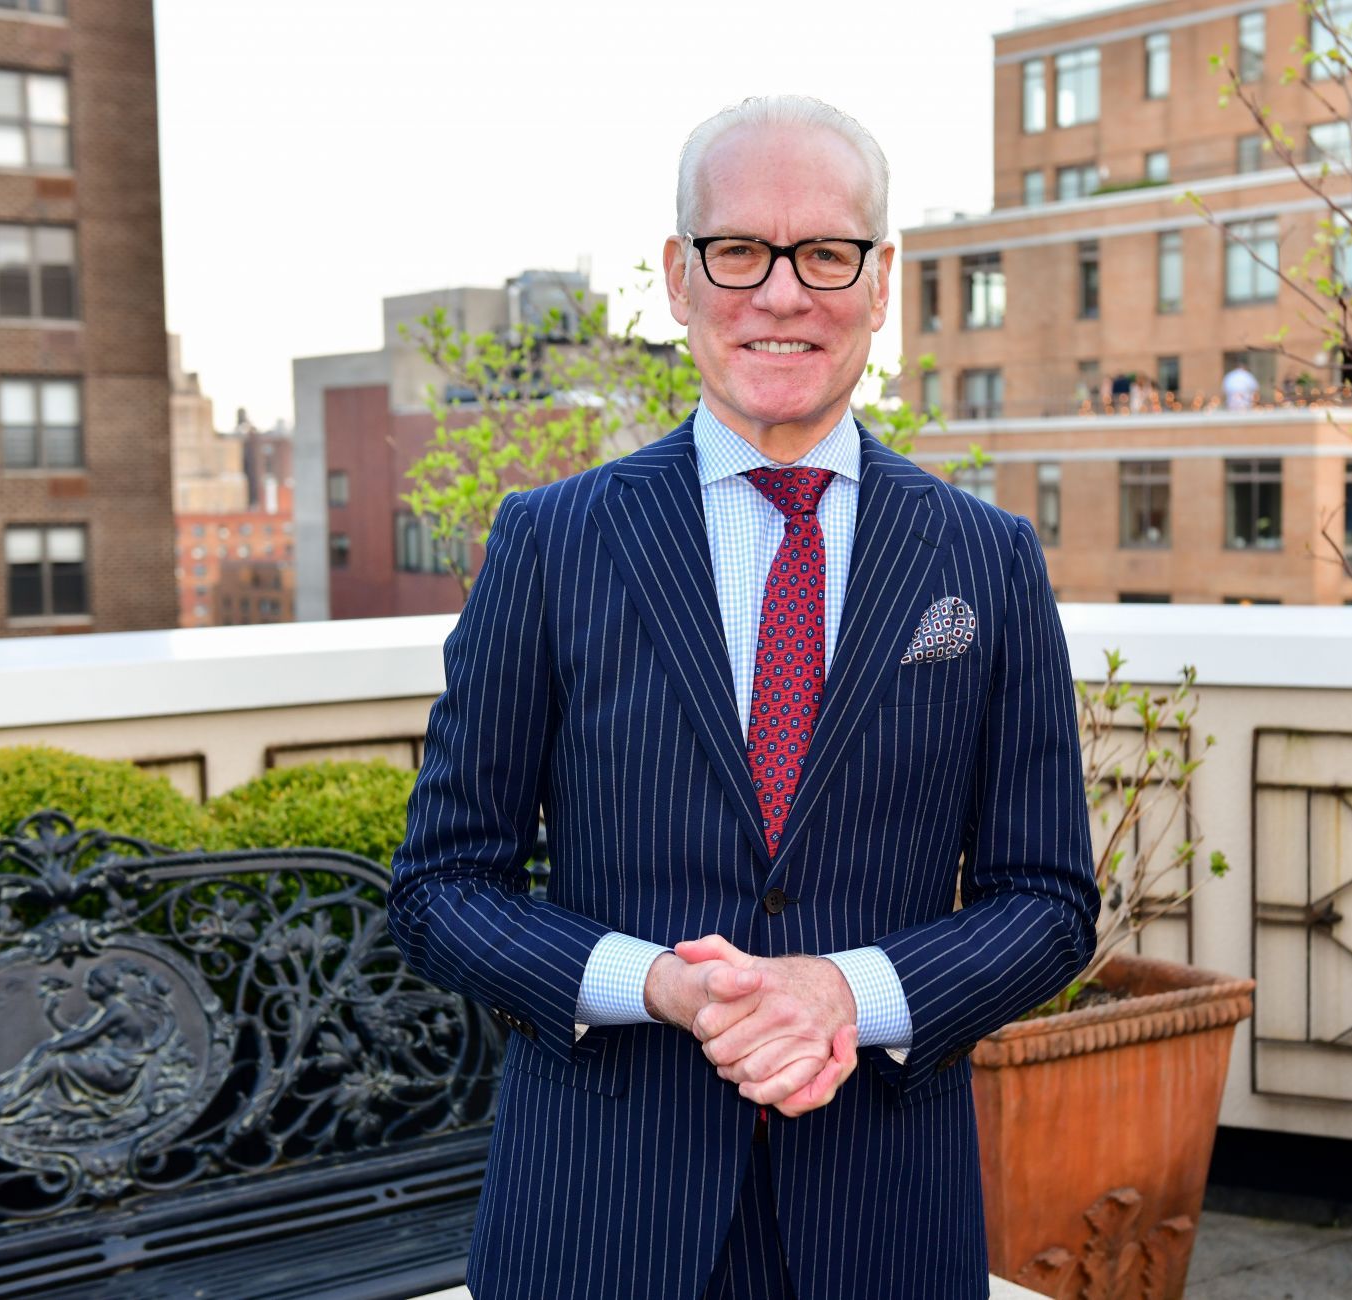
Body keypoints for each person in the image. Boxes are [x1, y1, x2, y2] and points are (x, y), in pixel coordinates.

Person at [386, 94, 1098, 1300]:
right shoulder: (553, 542)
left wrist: (843, 993)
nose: (782, 293)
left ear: (882, 280)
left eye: (826, 251)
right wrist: (658, 981)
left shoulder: (987, 560)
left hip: (883, 1218)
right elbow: (444, 886)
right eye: (739, 251)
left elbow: (1047, 904)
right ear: (677, 275)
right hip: (599, 1210)